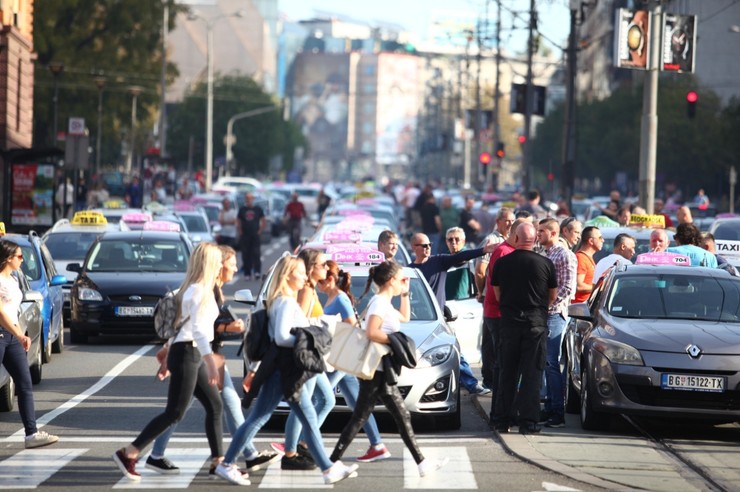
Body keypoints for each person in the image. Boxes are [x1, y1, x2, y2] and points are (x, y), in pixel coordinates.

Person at [216, 256, 359, 485]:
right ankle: (327, 468)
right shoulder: (285, 302)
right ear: (288, 275)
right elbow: (281, 336)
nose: (304, 277)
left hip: (280, 367)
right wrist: (308, 341)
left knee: (265, 417)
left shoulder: (281, 300)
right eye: (300, 272)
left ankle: (327, 468)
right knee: (289, 417)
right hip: (286, 368)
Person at [113, 243, 228, 482]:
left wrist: (166, 354)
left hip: (188, 353)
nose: (221, 265)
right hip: (189, 354)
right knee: (175, 412)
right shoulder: (197, 291)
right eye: (218, 261)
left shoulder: (197, 289)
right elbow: (196, 329)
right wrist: (209, 359)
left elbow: (180, 326)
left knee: (215, 406)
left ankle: (219, 462)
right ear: (208, 264)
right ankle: (129, 452)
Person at [329, 260, 449, 477]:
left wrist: (405, 293)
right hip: (376, 368)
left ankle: (422, 464)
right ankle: (330, 464)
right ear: (391, 280)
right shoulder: (379, 303)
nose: (403, 281)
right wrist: (393, 342)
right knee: (362, 417)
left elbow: (405, 317)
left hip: (382, 369)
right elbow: (371, 332)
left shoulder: (385, 302)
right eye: (401, 278)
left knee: (399, 415)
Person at [317, 260, 390, 462]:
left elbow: (352, 327)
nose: (317, 285)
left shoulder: (340, 299)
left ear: (330, 280)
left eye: (320, 282)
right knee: (357, 404)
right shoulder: (332, 298)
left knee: (319, 399)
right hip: (337, 357)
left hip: (343, 357)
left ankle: (300, 442)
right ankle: (377, 445)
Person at [490, 222, 557, 434]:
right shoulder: (546, 263)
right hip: (535, 324)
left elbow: (497, 293)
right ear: (535, 239)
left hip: (509, 323)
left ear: (516, 239)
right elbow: (552, 296)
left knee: (507, 373)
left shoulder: (502, 263)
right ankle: (529, 422)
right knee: (532, 374)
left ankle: (502, 420)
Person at [276, 249, 335, 471]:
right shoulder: (307, 291)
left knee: (324, 400)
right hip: (306, 354)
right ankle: (291, 452)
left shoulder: (310, 289)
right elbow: (297, 323)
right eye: (322, 264)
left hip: (312, 352)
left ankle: (300, 444)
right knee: (306, 403)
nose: (327, 268)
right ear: (311, 268)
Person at [0, 240, 59, 449]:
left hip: (11, 336)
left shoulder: (13, 279)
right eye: (19, 256)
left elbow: (13, 310)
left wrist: (16, 334)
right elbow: (0, 312)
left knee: (24, 385)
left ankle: (31, 434)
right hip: (4, 334)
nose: (22, 260)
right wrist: (19, 334)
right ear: (7, 258)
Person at [482, 218, 528, 422]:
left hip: (499, 312)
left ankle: (500, 411)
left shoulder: (506, 250)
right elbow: (496, 288)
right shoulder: (504, 251)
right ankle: (499, 412)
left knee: (504, 364)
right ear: (516, 233)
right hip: (498, 314)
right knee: (503, 364)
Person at [536, 218, 577, 429]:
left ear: (553, 233)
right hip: (544, 313)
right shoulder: (546, 253)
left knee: (553, 362)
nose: (538, 234)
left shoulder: (564, 254)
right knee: (546, 362)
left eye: (542, 231)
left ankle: (558, 413)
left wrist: (546, 304)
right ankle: (550, 407)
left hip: (554, 314)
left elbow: (567, 288)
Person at [443, 227, 491, 396]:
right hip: (444, 314)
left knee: (458, 349)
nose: (454, 242)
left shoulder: (471, 262)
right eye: (450, 239)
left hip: (464, 312)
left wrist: (480, 293)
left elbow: (481, 278)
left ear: (463, 241)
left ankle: (471, 382)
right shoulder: (444, 261)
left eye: (457, 239)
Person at [237, 192, 266, 281]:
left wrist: (260, 230)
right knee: (246, 254)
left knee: (256, 253)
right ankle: (247, 273)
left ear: (253, 199)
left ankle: (257, 271)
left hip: (255, 235)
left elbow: (263, 220)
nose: (248, 200)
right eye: (247, 198)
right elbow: (238, 220)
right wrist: (240, 231)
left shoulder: (258, 209)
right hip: (245, 235)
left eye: (250, 198)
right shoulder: (242, 209)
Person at [573, 226, 603, 303]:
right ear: (591, 241)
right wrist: (599, 287)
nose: (603, 240)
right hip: (578, 309)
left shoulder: (587, 257)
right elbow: (579, 286)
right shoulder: (581, 258)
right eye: (600, 238)